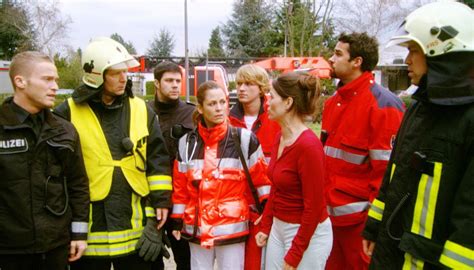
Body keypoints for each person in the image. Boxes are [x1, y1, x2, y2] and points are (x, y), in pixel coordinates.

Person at [362, 2, 474, 269]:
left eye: (414, 50)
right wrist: (374, 225)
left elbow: (470, 216)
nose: (407, 60)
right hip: (392, 253)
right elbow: (395, 173)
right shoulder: (418, 108)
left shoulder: (468, 119)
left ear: (441, 52)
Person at [54, 37, 172, 270]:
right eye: (115, 73)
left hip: (137, 230)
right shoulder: (66, 112)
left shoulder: (141, 108)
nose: (123, 78)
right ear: (97, 75)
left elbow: (157, 161)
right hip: (88, 235)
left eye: (125, 72)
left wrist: (160, 206)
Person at [321, 32, 405, 270]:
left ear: (357, 62)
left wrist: (375, 226)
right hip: (330, 222)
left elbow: (388, 175)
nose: (331, 58)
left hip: (361, 227)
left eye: (338, 54)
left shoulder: (384, 106)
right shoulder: (333, 103)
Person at [0, 51, 89, 270]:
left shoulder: (64, 130)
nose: (55, 86)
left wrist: (79, 234)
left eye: (56, 80)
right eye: (47, 79)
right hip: (9, 251)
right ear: (20, 82)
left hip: (55, 249)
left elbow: (78, 185)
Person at [170, 81, 271, 270]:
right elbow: (180, 187)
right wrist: (177, 220)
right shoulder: (186, 143)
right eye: (212, 104)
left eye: (222, 102)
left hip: (231, 229)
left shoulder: (244, 139)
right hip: (197, 228)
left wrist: (266, 211)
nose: (219, 108)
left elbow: (262, 180)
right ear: (200, 108)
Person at [255, 72, 333, 270]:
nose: (266, 103)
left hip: (307, 233)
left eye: (271, 97)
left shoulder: (308, 146)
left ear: (288, 102)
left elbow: (314, 207)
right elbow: (277, 188)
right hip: (279, 228)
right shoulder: (280, 138)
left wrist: (295, 253)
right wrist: (266, 224)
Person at [228, 64, 279, 269]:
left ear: (261, 88)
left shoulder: (276, 118)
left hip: (266, 206)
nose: (241, 88)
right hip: (235, 206)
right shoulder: (227, 120)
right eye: (239, 83)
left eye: (248, 84)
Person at [149, 61, 194, 270]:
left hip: (181, 199)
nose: (175, 85)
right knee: (150, 257)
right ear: (156, 83)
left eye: (178, 81)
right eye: (169, 81)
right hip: (150, 197)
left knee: (185, 258)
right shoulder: (143, 112)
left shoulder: (192, 115)